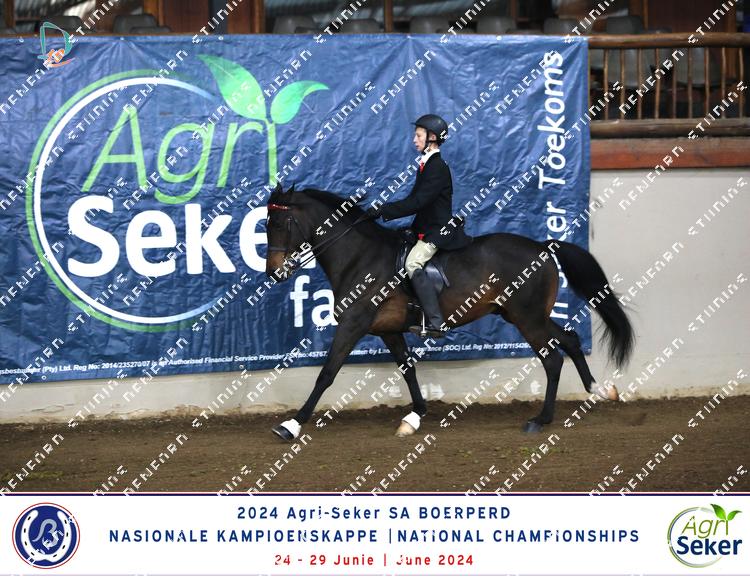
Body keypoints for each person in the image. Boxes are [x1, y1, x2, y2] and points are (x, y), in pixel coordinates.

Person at [365, 114, 471, 338]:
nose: (414, 140)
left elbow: (418, 202)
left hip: (437, 231)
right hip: (425, 227)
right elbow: (420, 203)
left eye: (418, 135)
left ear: (432, 137)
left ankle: (435, 322)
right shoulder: (426, 164)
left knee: (413, 264)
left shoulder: (437, 167)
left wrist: (384, 210)